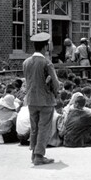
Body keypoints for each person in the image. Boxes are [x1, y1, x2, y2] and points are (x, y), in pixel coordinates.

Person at [23, 32, 60, 166]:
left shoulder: (26, 62)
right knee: (44, 127)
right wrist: (55, 91)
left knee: (34, 128)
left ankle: (34, 153)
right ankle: (39, 155)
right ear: (45, 47)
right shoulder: (46, 62)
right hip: (45, 100)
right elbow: (56, 83)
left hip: (31, 99)